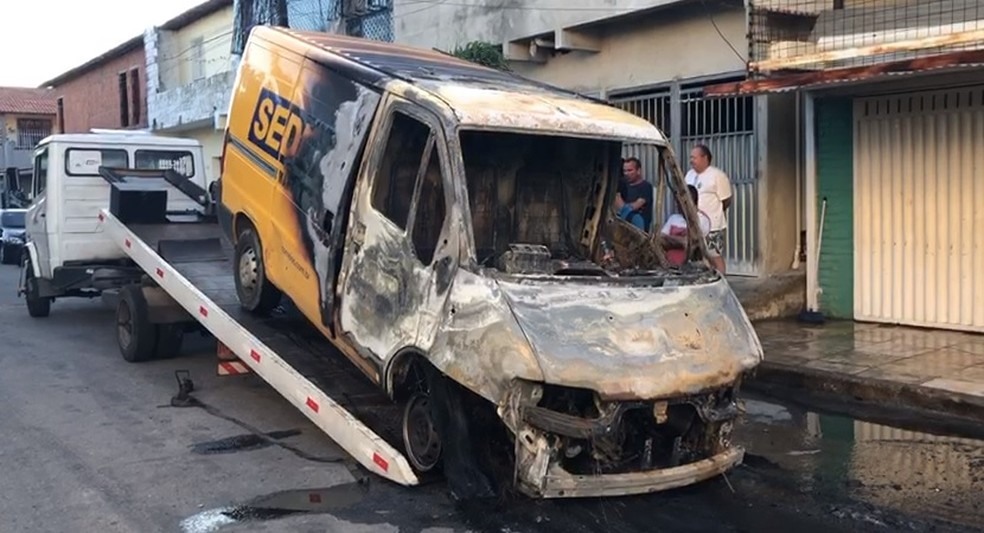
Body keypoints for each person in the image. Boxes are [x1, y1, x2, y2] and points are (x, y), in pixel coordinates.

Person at [684, 144, 732, 273]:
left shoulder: (717, 176)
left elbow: (726, 200)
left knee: (714, 255)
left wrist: (713, 213)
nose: (691, 161)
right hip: (694, 225)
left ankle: (721, 282)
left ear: (705, 158)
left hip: (713, 225)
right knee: (698, 257)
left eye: (694, 157)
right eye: (691, 158)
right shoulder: (689, 175)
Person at [660, 185, 710, 266]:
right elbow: (660, 239)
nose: (677, 205)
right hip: (669, 265)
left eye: (681, 202)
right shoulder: (673, 218)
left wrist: (669, 239)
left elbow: (690, 243)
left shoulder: (702, 220)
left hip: (691, 266)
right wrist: (679, 240)